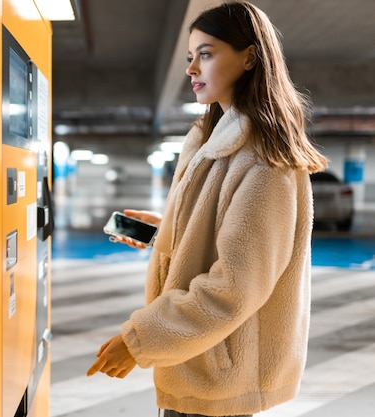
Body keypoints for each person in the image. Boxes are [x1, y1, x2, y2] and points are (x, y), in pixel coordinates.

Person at [86, 2, 329, 416]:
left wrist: (140, 340)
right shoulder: (211, 142)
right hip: (200, 364)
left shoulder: (263, 161)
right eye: (189, 57)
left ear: (250, 56)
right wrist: (164, 232)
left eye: (206, 53)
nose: (191, 69)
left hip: (220, 379)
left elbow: (234, 287)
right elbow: (221, 241)